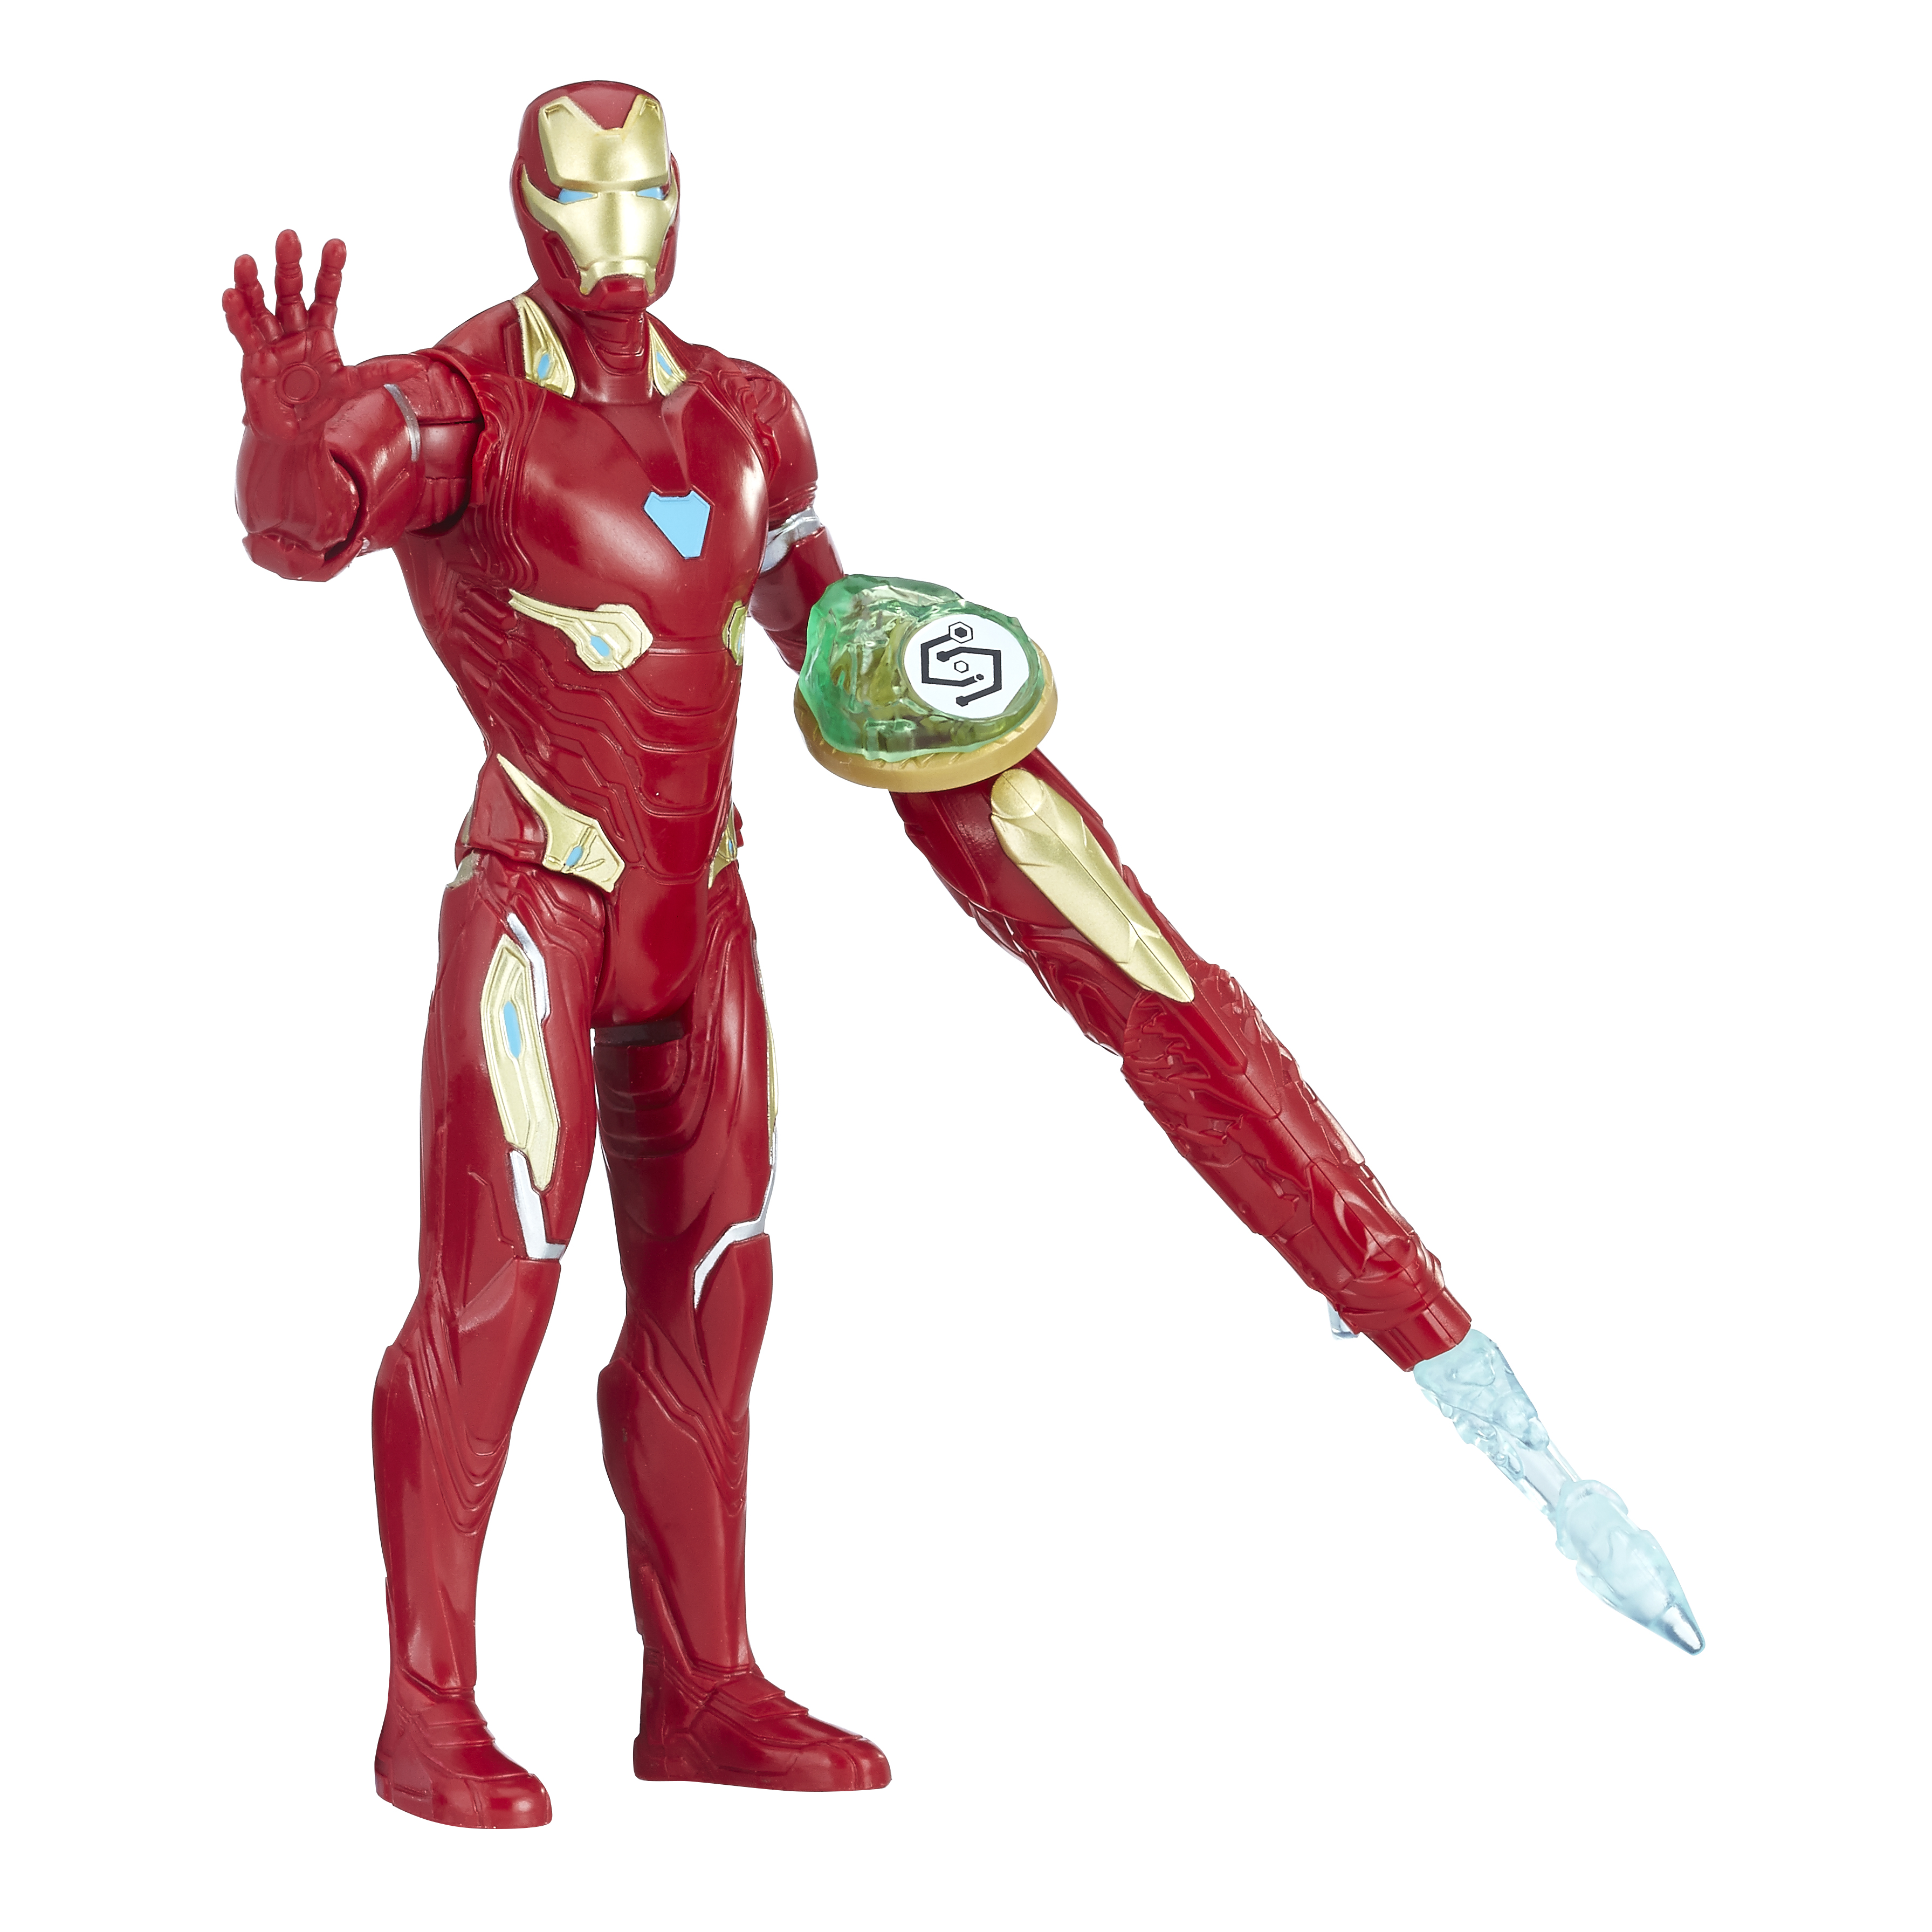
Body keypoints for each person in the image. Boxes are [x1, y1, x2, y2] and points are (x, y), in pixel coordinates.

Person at [225, 78, 1696, 1832]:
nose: (619, 233)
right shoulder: (456, 406)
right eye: (583, 197)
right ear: (526, 206)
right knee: (494, 1294)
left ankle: (703, 1688)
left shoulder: (745, 417)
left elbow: (833, 641)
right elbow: (305, 524)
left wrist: (978, 765)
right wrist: (289, 423)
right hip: (540, 898)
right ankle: (429, 1710)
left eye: (648, 195)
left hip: (701, 910)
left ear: (683, 200)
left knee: (719, 1295)